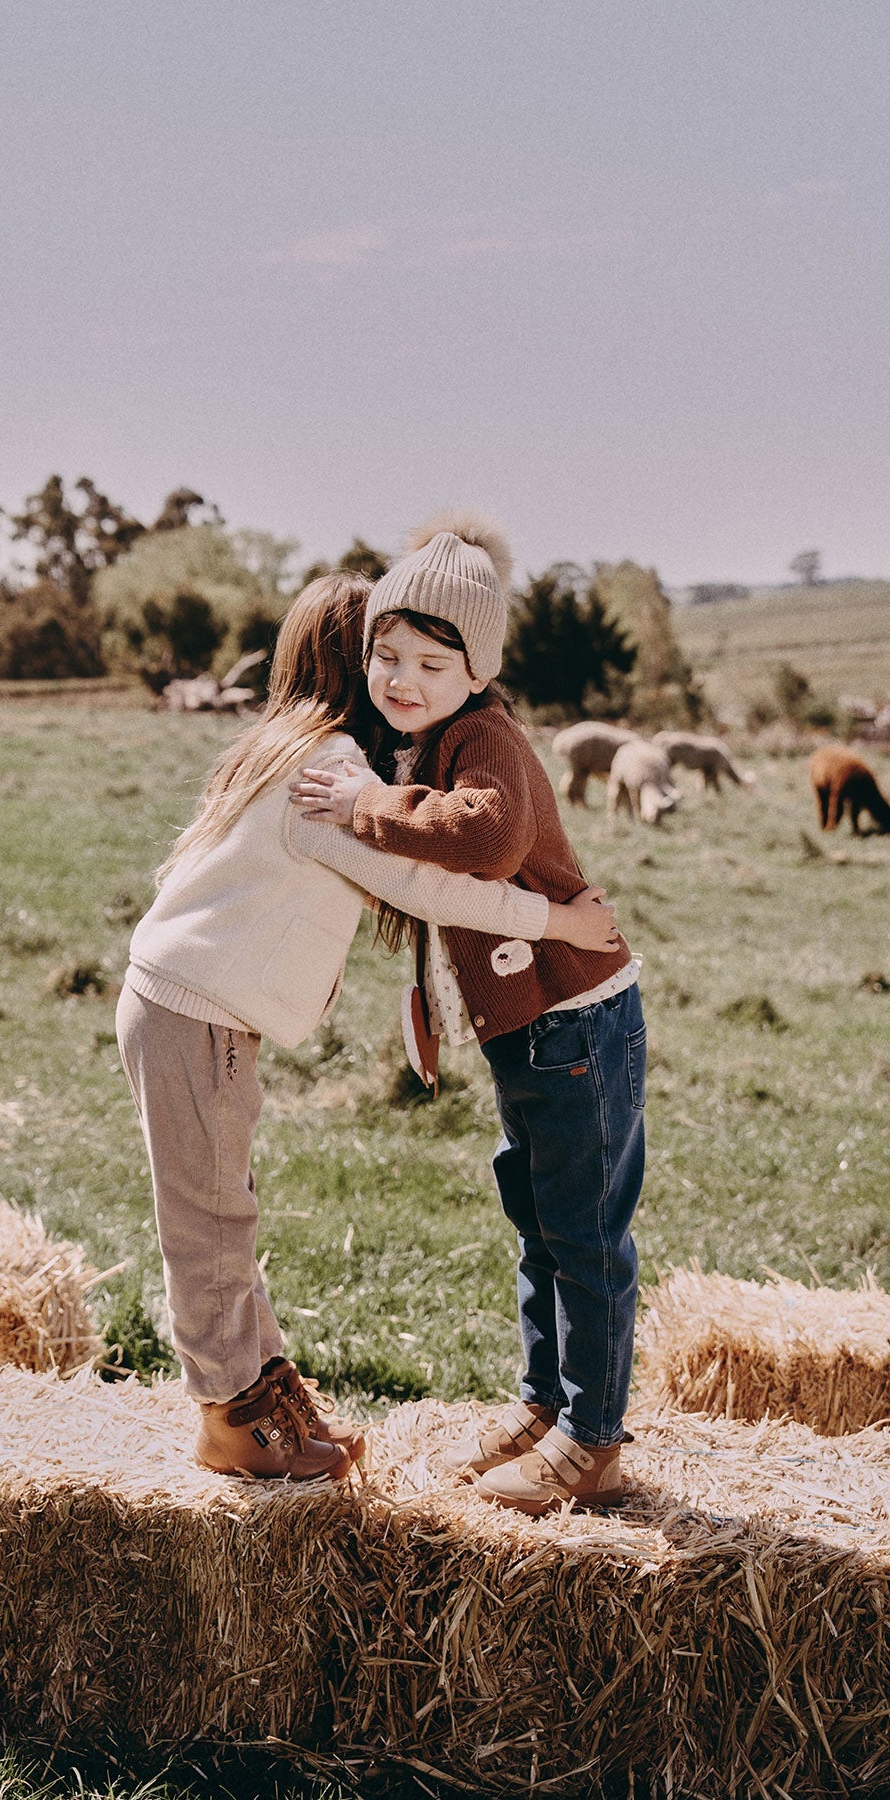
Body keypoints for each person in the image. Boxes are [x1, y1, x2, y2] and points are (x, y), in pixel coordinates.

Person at [116, 569, 621, 1484]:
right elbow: (426, 887)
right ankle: (231, 1418)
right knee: (211, 1219)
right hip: (194, 1011)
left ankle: (264, 1391)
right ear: (358, 662)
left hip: (183, 1003)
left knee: (223, 1204)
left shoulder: (286, 744)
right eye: (385, 655)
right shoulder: (329, 770)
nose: (401, 679)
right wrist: (558, 922)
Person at [290, 514, 645, 1514]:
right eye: (387, 656)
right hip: (528, 1030)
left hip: (574, 1018)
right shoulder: (432, 741)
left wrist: (363, 803)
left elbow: (487, 843)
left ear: (477, 670)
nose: (402, 679)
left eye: (431, 663)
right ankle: (547, 1404)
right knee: (539, 1223)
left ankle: (593, 1439)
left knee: (584, 1234)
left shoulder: (482, 737)